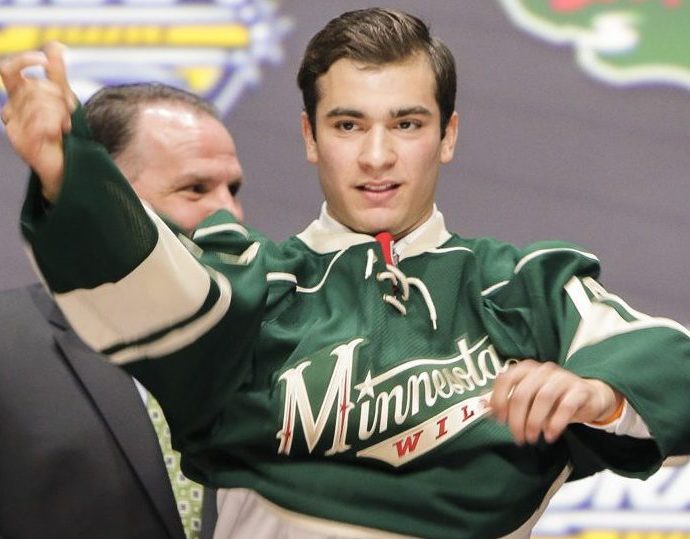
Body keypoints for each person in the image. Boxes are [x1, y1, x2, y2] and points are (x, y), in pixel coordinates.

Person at [2, 8, 690, 539]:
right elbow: (151, 285)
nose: (378, 156)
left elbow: (673, 366)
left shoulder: (525, 290)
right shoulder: (252, 288)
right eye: (349, 125)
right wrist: (74, 177)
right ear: (309, 137)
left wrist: (601, 392)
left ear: (448, 135)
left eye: (409, 123)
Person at [0, 82, 244, 539]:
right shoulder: (7, 346)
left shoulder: (264, 354)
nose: (228, 214)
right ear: (99, 192)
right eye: (196, 188)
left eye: (233, 189)